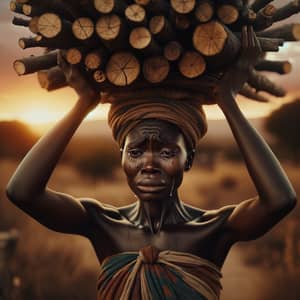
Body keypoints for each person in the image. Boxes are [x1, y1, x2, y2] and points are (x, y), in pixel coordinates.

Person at [6, 27, 297, 299]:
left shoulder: (212, 229)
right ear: (121, 156)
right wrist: (84, 102)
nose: (149, 164)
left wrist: (228, 100)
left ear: (189, 159)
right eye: (135, 152)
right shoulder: (102, 223)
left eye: (167, 152)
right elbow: (22, 192)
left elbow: (279, 201)